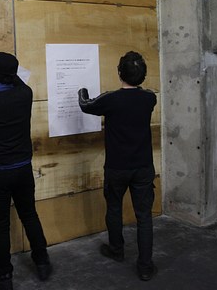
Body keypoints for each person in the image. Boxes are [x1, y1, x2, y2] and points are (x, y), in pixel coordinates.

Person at [0, 52, 52, 290]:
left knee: (0, 225)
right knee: (29, 215)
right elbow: (18, 83)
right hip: (22, 169)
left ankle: (4, 275)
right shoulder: (25, 94)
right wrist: (8, 75)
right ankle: (42, 262)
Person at [78, 51, 157, 281]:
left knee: (114, 208)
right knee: (144, 217)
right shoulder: (149, 98)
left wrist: (82, 89)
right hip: (143, 167)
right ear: (143, 75)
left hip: (117, 167)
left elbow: (85, 104)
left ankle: (116, 250)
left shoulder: (111, 100)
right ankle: (145, 267)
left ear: (119, 72)